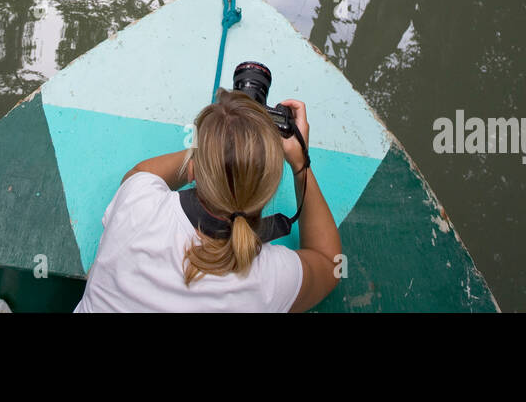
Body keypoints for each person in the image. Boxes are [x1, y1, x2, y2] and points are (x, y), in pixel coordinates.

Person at [74, 91, 342, 312]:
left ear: (195, 167)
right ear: (268, 189)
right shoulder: (270, 278)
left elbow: (140, 173)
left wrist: (214, 149)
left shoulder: (137, 204)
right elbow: (331, 263)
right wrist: (300, 163)